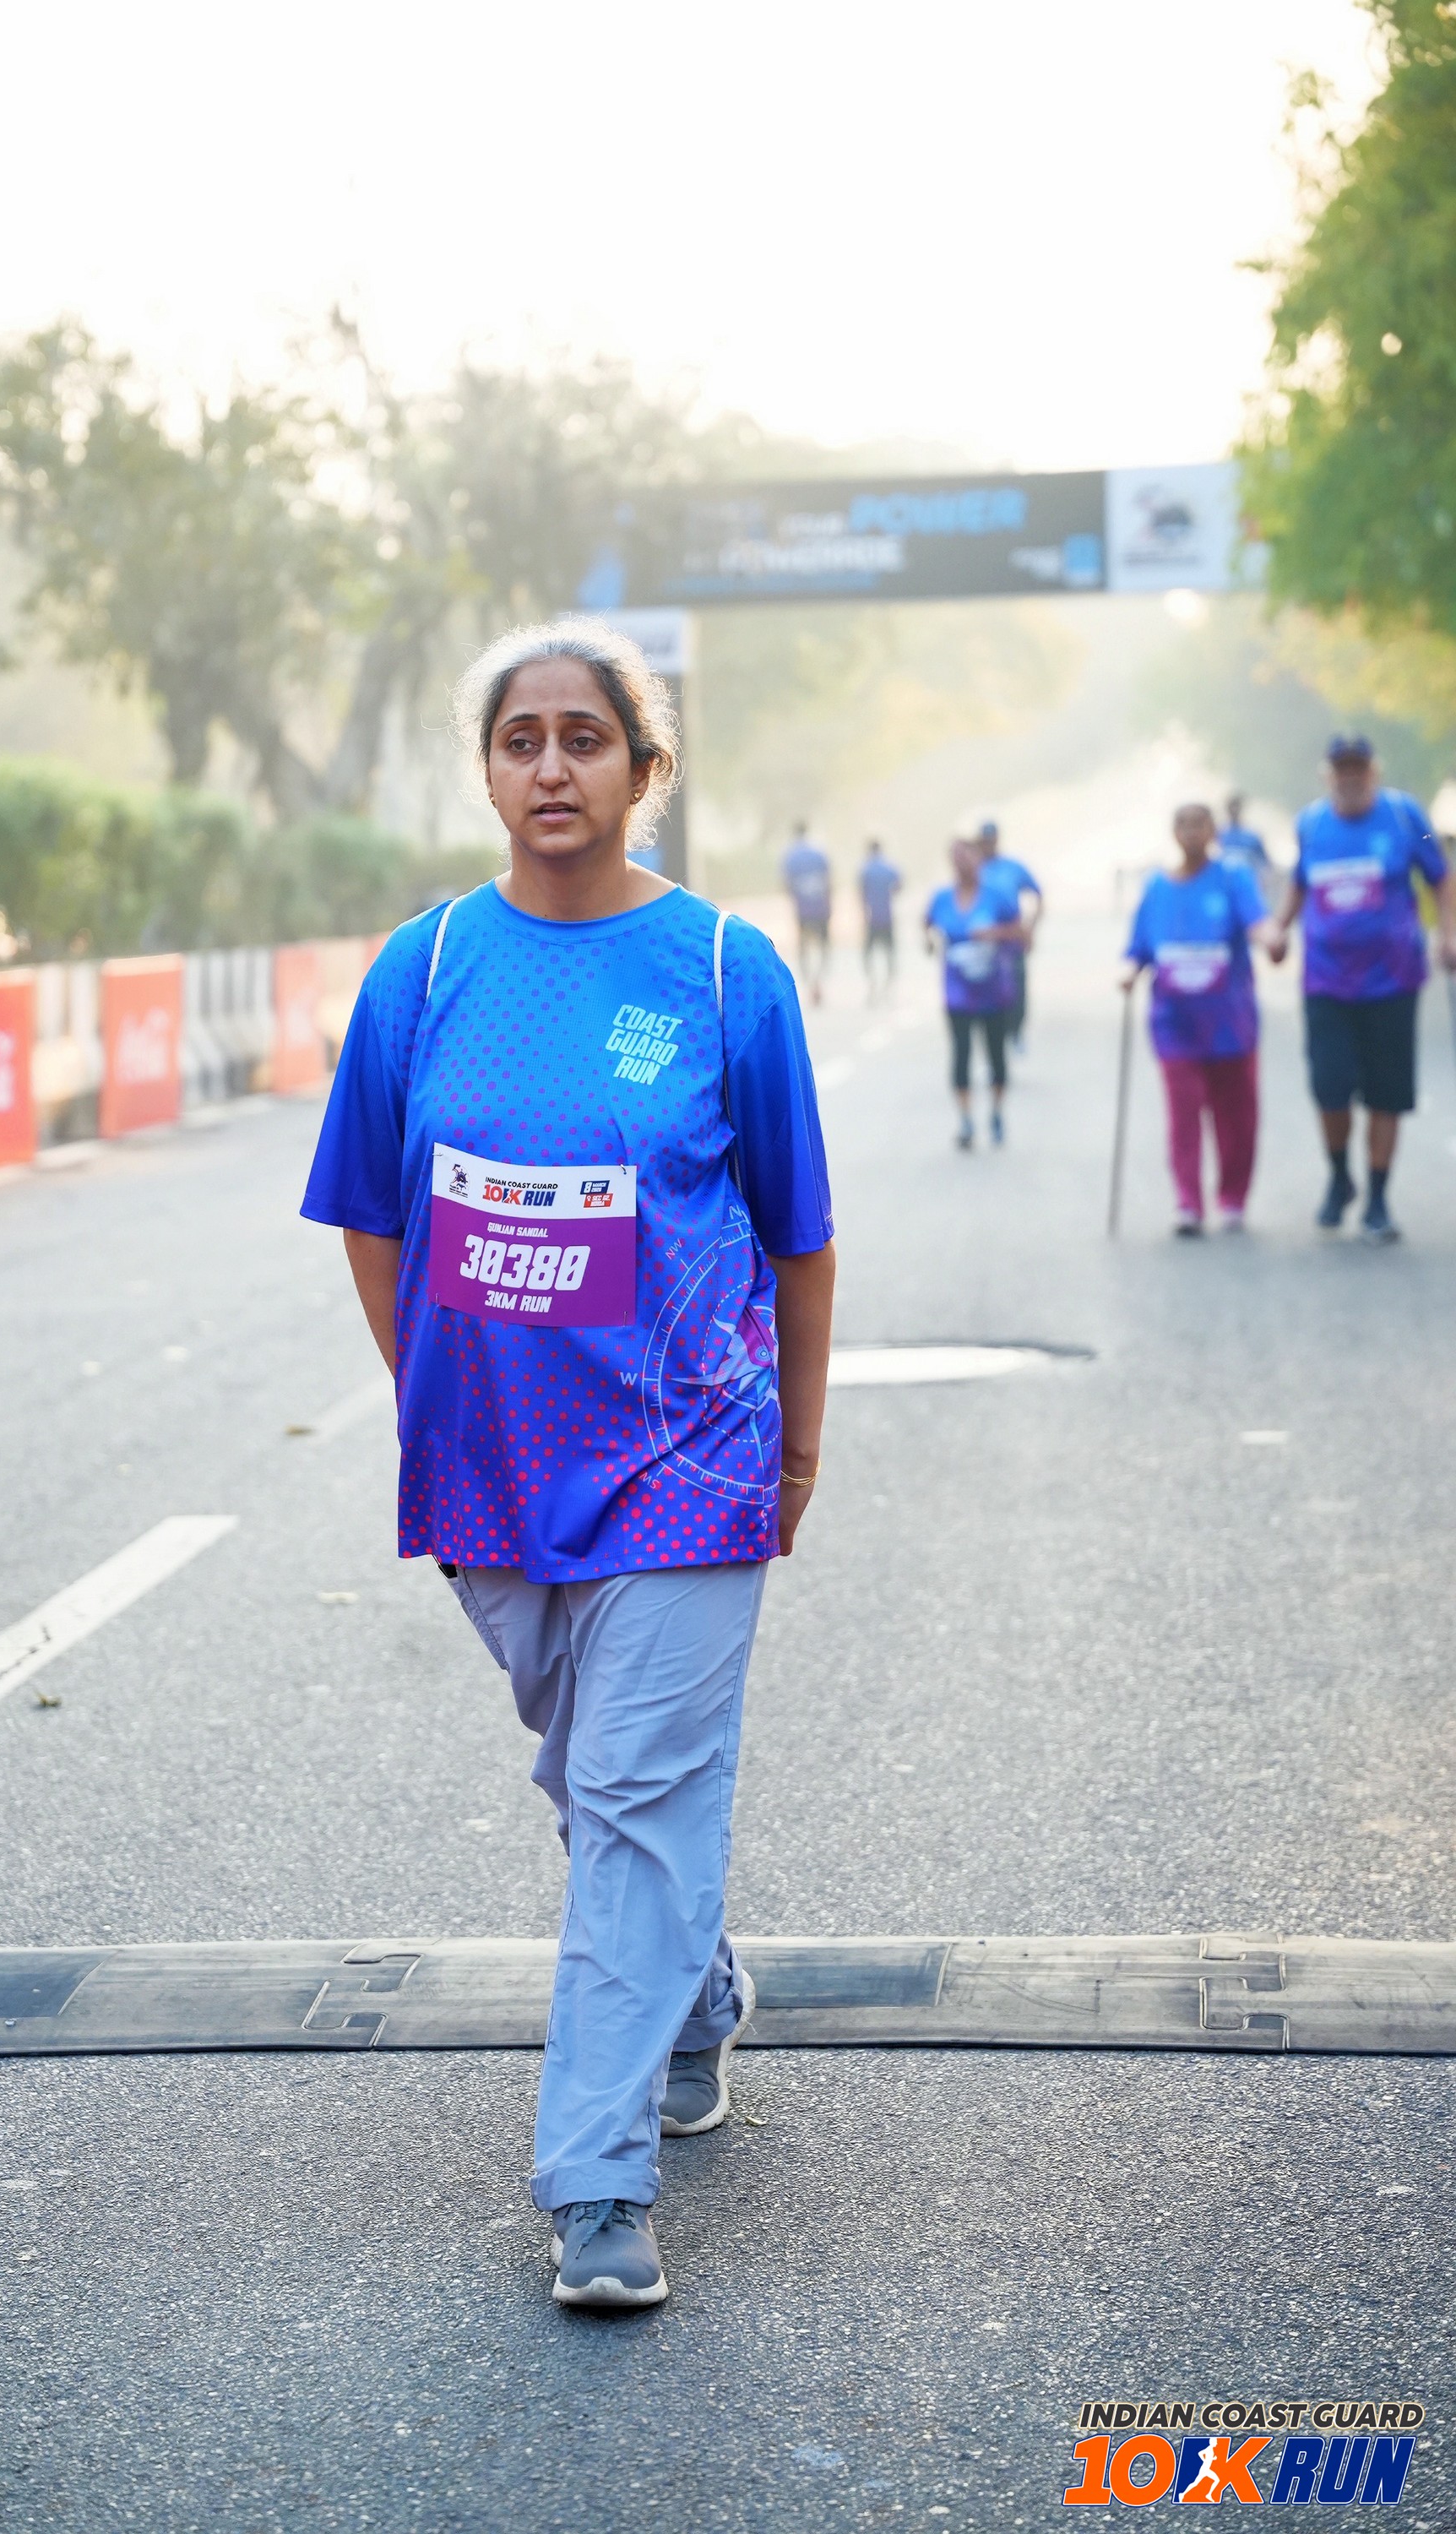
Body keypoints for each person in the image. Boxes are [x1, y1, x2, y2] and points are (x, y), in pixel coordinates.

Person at [302, 622, 835, 2313]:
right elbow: (370, 1216)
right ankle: (693, 1992)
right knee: (596, 1777)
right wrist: (432, 1397)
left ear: (644, 769)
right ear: (487, 770)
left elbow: (799, 1235)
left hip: (689, 1457)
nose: (550, 766)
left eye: (584, 739)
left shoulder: (725, 971)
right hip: (491, 1475)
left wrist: (798, 1441)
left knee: (629, 1793)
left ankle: (596, 2185)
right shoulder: (424, 972)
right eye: (520, 738)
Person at [1264, 735, 1456, 1241]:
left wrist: (1449, 933)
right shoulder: (1310, 824)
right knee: (1330, 1087)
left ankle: (1378, 1198)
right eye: (1341, 769)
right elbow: (1300, 882)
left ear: (1374, 772)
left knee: (1385, 1093)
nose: (1350, 777)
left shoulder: (1406, 817)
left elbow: (1440, 873)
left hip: (1393, 981)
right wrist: (1280, 928)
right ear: (1327, 775)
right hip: (1327, 982)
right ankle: (1338, 1176)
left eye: (1359, 768)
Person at [1122, 803, 1269, 1236]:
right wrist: (1129, 974)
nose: (1191, 832)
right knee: (1183, 1117)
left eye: (1199, 824)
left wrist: (1272, 939)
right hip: (1175, 1024)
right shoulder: (1157, 887)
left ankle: (1232, 1198)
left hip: (1230, 1024)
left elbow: (1258, 923)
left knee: (1237, 1119)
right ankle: (1188, 1202)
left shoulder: (1233, 877)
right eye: (1183, 824)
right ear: (1174, 832)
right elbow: (1139, 949)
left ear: (1212, 830)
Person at [925, 836, 1026, 1148]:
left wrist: (994, 934)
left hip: (994, 991)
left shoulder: (997, 895)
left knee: (996, 1054)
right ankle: (966, 1119)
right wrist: (930, 942)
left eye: (967, 857)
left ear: (978, 859)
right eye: (956, 858)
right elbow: (927, 925)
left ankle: (996, 1111)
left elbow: (1022, 934)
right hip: (957, 992)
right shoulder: (942, 898)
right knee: (961, 1052)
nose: (962, 864)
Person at [972, 819, 1042, 1049]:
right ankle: (992, 1037)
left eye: (991, 839)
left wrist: (1031, 928)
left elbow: (1037, 894)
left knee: (1017, 987)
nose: (988, 844)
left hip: (1011, 937)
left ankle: (1016, 1029)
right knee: (986, 992)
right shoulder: (973, 869)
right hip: (983, 940)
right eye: (985, 840)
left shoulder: (1011, 867)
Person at [780, 818, 833, 1007]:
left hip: (803, 910)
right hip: (821, 908)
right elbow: (829, 881)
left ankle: (809, 982)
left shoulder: (790, 856)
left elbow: (786, 884)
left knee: (804, 948)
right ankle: (819, 980)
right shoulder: (819, 852)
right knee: (823, 947)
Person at [858, 839, 902, 998]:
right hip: (887, 916)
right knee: (889, 952)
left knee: (869, 952)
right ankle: (888, 984)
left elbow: (861, 892)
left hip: (871, 917)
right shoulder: (889, 867)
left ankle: (872, 981)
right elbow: (899, 885)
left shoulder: (865, 869)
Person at [1217, 791, 1274, 887]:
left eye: (1236, 807)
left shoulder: (1252, 836)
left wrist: (1262, 880)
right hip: (1224, 884)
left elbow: (1264, 862)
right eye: (1232, 807)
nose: (1234, 810)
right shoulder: (1219, 833)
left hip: (1247, 882)